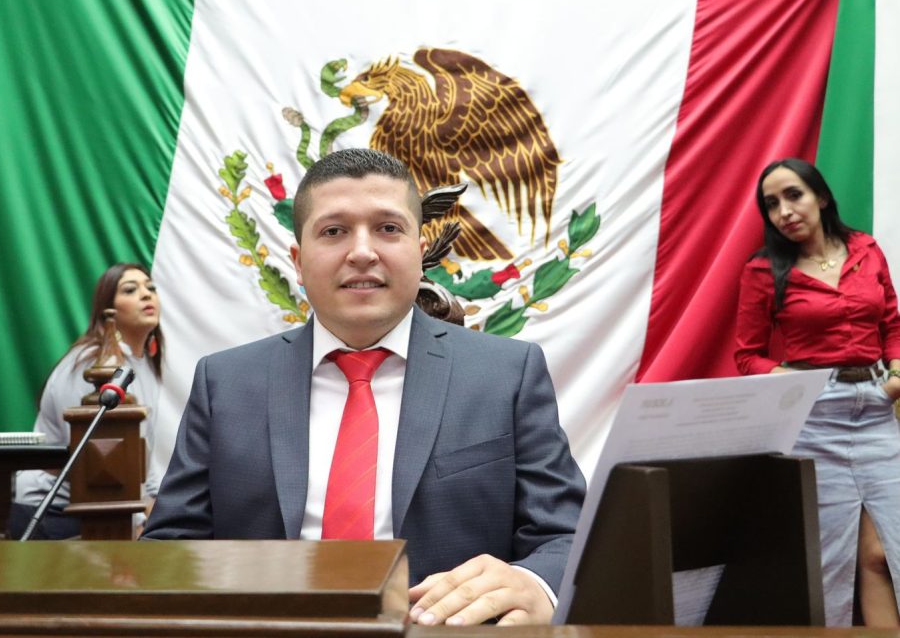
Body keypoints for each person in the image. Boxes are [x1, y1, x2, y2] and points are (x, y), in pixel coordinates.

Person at [143, 149, 586, 626]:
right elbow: (169, 547)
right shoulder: (225, 383)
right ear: (298, 261)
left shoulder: (507, 374)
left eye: (388, 228)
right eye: (334, 231)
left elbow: (567, 536)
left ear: (420, 253)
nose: (361, 252)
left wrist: (535, 583)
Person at [735, 158, 900, 627]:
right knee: (830, 559)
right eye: (771, 204)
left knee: (882, 552)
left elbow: (892, 323)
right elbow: (747, 356)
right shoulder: (762, 270)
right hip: (814, 420)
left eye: (794, 195)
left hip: (877, 411)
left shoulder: (866, 249)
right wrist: (795, 382)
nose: (784, 211)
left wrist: (896, 376)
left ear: (821, 197)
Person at [9, 263, 165, 540]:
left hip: (106, 509)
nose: (146, 294)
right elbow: (97, 458)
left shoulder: (144, 366)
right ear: (108, 311)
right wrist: (138, 522)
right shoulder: (91, 365)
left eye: (150, 288)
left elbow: (141, 453)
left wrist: (154, 510)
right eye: (130, 290)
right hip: (51, 512)